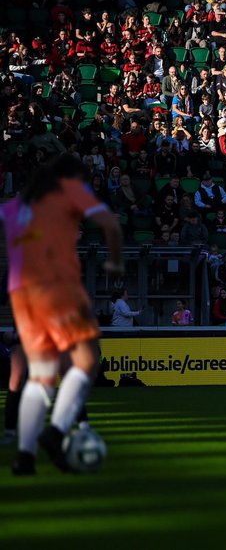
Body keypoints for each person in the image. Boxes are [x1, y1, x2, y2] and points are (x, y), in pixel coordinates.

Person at [1, 154, 124, 476]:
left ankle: (25, 456)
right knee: (84, 362)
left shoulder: (14, 208)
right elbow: (109, 223)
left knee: (40, 373)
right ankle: (56, 434)